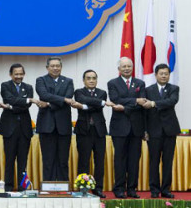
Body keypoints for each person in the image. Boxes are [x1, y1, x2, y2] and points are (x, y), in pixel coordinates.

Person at [107, 57, 146, 198]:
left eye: (129, 66)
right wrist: (135, 100)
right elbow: (115, 99)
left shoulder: (140, 83)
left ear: (132, 67)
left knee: (134, 160)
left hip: (136, 128)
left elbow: (143, 103)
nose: (126, 68)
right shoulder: (112, 83)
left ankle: (132, 189)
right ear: (119, 69)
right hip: (119, 128)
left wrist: (124, 107)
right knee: (120, 160)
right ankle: (118, 188)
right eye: (123, 66)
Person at [0, 63, 40, 191]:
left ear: (24, 74)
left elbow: (24, 107)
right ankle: (8, 186)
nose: (18, 76)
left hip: (24, 128)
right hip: (9, 128)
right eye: (16, 74)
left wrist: (10, 107)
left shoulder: (28, 87)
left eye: (21, 74)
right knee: (9, 160)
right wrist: (28, 100)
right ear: (11, 74)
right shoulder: (5, 85)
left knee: (23, 160)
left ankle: (22, 187)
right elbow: (8, 98)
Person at [71, 70, 110, 198]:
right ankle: (83, 188)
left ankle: (98, 188)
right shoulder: (78, 92)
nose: (91, 80)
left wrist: (83, 106)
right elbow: (83, 99)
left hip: (99, 131)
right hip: (84, 131)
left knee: (99, 161)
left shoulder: (102, 93)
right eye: (88, 78)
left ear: (97, 80)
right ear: (84, 80)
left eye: (94, 78)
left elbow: (97, 107)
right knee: (84, 161)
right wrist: (96, 102)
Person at [35, 56, 74, 181]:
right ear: (47, 67)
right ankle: (48, 187)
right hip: (46, 125)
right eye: (53, 66)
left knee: (63, 160)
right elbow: (43, 94)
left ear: (61, 67)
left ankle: (63, 188)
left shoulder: (68, 81)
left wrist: (48, 104)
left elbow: (69, 96)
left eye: (58, 66)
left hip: (64, 126)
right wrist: (62, 99)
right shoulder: (41, 80)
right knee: (48, 160)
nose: (55, 68)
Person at [145, 63, 180, 198]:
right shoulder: (148, 90)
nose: (164, 76)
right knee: (154, 161)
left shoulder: (174, 88)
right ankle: (154, 190)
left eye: (166, 74)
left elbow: (171, 101)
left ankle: (166, 189)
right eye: (161, 73)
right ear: (156, 75)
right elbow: (144, 113)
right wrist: (145, 130)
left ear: (169, 75)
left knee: (167, 161)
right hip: (153, 131)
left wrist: (154, 103)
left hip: (169, 130)